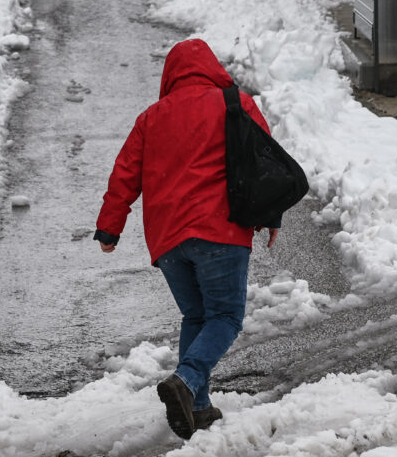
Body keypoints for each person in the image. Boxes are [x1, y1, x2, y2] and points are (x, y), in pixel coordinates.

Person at [93, 38, 280, 440]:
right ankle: (186, 379)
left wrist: (110, 227)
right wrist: (271, 215)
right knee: (226, 316)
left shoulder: (152, 117)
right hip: (221, 231)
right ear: (212, 68)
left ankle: (196, 406)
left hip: (169, 242)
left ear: (171, 75)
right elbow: (265, 162)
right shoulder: (236, 104)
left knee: (197, 316)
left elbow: (124, 173)